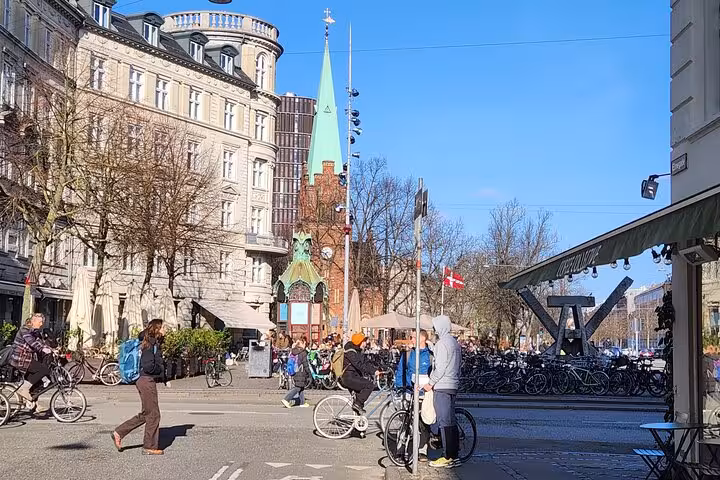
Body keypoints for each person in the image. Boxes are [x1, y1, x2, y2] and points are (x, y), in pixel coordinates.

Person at [112, 319, 165, 455]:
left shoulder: (149, 341)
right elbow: (148, 365)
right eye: (164, 327)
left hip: (143, 379)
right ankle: (149, 447)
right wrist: (159, 370)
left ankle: (119, 432)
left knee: (146, 413)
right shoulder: (150, 343)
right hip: (146, 380)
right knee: (153, 414)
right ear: (157, 329)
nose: (166, 330)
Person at [422, 315, 461, 468]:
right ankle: (454, 454)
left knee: (444, 422)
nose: (434, 330)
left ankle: (448, 456)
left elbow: (440, 367)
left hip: (443, 386)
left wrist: (430, 383)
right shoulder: (454, 343)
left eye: (435, 327)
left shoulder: (441, 344)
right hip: (453, 385)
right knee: (451, 421)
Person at [396, 329, 433, 461]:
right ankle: (400, 450)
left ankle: (422, 451)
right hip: (408, 391)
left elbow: (434, 373)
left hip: (424, 393)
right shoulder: (408, 354)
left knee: (424, 423)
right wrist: (399, 388)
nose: (411, 340)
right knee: (405, 422)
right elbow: (400, 371)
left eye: (413, 337)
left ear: (422, 339)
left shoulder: (430, 355)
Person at [10, 313, 53, 405]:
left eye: (42, 322)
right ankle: (24, 389)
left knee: (36, 381)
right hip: (20, 359)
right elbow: (32, 342)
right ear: (33, 321)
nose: (41, 324)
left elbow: (39, 342)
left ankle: (34, 404)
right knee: (44, 370)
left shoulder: (35, 331)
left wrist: (51, 349)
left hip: (27, 359)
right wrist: (43, 349)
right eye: (40, 322)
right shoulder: (25, 330)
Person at [341, 333, 378, 414]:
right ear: (359, 342)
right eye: (364, 342)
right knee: (369, 385)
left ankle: (357, 421)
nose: (365, 344)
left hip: (354, 376)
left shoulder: (358, 351)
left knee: (360, 400)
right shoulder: (351, 352)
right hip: (349, 377)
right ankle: (357, 404)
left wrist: (376, 369)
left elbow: (366, 363)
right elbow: (359, 365)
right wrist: (373, 371)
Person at [281, 338, 310, 408]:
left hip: (295, 371)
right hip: (301, 371)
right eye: (304, 343)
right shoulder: (303, 352)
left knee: (301, 387)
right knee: (297, 387)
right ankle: (286, 399)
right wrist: (309, 373)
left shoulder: (294, 351)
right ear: (302, 344)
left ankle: (302, 402)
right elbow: (305, 364)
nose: (305, 345)